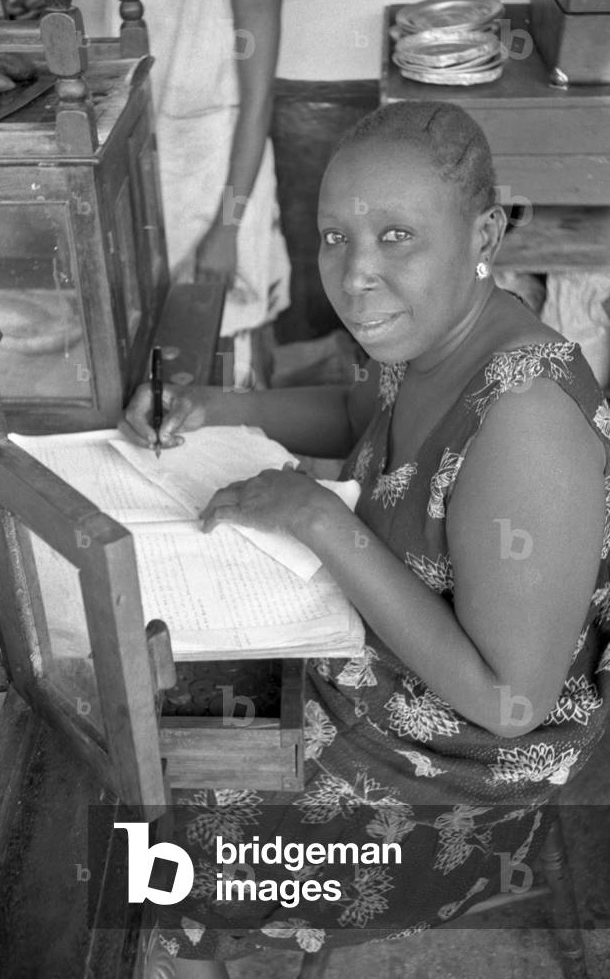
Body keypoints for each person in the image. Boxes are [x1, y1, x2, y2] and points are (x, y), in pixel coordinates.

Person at [123, 100, 610, 977]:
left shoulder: (525, 421)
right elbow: (364, 411)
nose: (354, 276)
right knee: (139, 712)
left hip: (450, 773)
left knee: (163, 847)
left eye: (396, 236)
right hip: (372, 665)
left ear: (482, 232)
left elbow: (509, 705)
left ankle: (197, 942)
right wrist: (219, 408)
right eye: (334, 237)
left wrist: (319, 518)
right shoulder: (430, 339)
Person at [139, 0, 291, 388]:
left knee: (224, 353)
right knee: (157, 359)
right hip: (144, 181)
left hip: (219, 183)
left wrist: (226, 229)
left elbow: (257, 102)